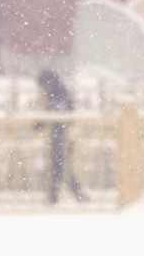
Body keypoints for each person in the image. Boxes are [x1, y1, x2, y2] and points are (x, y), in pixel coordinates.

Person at [35, 69, 86, 204]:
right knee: (60, 168)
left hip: (61, 137)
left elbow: (55, 114)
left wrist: (40, 123)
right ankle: (62, 196)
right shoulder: (59, 92)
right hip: (60, 137)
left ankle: (56, 197)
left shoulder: (57, 95)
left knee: (59, 167)